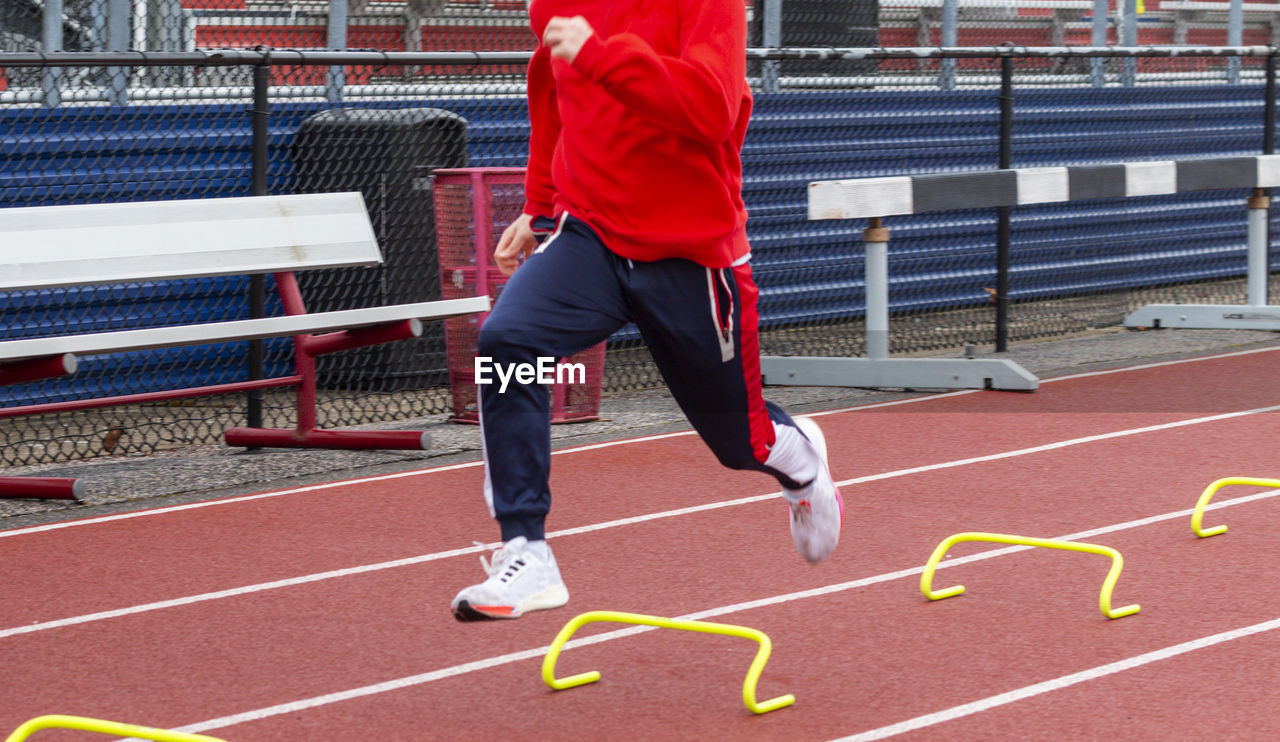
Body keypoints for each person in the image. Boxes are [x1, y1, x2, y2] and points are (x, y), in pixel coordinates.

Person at [450, 0, 843, 621]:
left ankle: (796, 459)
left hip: (692, 254)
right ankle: (526, 547)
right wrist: (540, 205)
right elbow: (552, 87)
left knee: (741, 443)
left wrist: (601, 56)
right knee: (507, 346)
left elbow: (710, 110)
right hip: (593, 237)